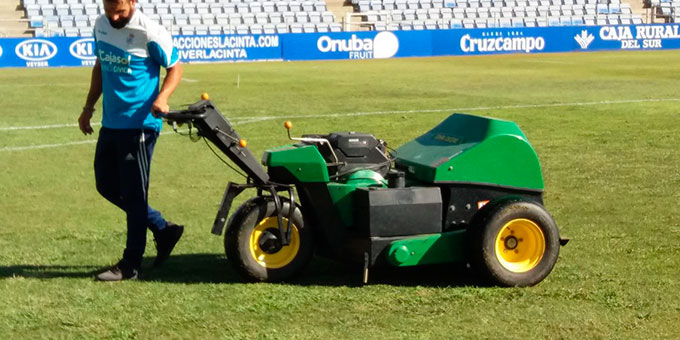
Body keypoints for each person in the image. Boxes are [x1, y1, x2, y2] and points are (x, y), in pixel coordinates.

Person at [78, 0, 184, 281]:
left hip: (140, 126)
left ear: (133, 2)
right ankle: (163, 228)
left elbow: (175, 67)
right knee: (106, 184)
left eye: (120, 10)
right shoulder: (101, 25)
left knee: (135, 194)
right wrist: (89, 107)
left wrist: (163, 97)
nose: (114, 15)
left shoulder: (150, 32)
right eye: (109, 7)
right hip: (111, 123)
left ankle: (130, 265)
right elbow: (101, 65)